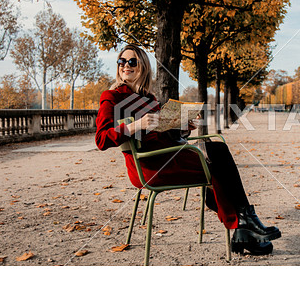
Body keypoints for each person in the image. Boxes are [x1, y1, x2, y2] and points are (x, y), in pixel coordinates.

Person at [95, 44, 281, 255]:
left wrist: (183, 128)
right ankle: (244, 224)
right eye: (122, 61)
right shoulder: (111, 97)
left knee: (216, 154)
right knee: (217, 159)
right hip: (149, 165)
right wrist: (137, 125)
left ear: (143, 67)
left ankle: (242, 227)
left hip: (167, 155)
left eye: (132, 62)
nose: (125, 66)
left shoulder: (150, 99)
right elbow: (101, 139)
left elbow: (163, 134)